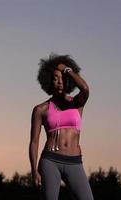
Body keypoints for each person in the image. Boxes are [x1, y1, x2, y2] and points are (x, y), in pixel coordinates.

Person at [29, 53, 94, 200]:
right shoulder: (41, 109)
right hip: (50, 161)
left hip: (75, 162)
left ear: (68, 81)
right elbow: (34, 141)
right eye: (55, 78)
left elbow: (85, 88)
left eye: (63, 79)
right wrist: (34, 170)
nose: (59, 82)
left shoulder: (77, 103)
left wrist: (66, 69)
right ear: (49, 82)